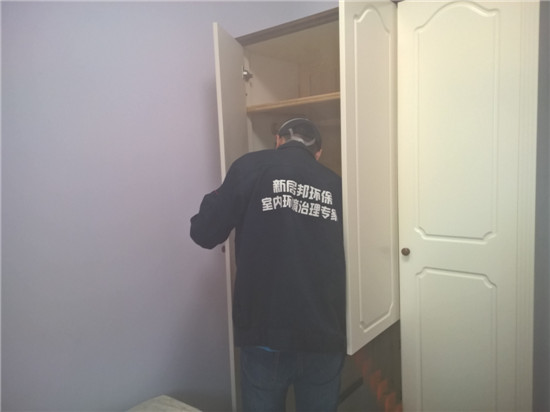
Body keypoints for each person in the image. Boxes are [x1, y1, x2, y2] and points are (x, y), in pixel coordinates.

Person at [190, 118, 346, 412]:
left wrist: (222, 194)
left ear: (278, 141)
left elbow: (204, 232)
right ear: (318, 153)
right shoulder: (336, 185)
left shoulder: (249, 168)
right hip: (324, 333)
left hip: (265, 335)